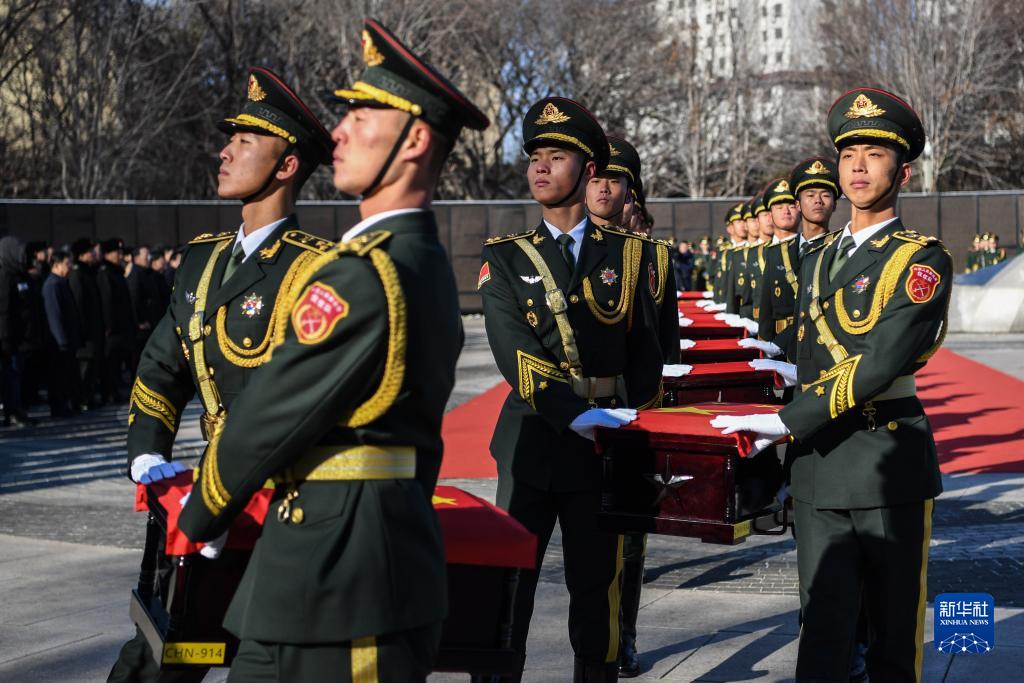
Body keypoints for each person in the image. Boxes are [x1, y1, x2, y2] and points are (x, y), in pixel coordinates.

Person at [175, 21, 490, 682]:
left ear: (416, 140)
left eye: (362, 113)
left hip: (342, 585)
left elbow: (270, 412)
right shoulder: (418, 260)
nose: (340, 130)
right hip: (337, 576)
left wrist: (200, 510)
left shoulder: (364, 273)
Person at [711, 87, 950, 683]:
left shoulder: (922, 260)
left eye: (874, 153)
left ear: (904, 170)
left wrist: (784, 420)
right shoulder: (818, 258)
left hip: (883, 460)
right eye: (848, 155)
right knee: (821, 628)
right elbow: (812, 357)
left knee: (895, 634)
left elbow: (879, 361)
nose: (859, 167)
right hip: (820, 465)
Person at [108, 65, 335, 683]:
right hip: (211, 494)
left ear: (287, 165)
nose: (224, 150)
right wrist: (146, 453)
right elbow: (162, 365)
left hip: (285, 503)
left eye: (245, 141)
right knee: (156, 655)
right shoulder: (203, 259)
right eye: (229, 138)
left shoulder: (317, 270)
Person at [479, 96, 663, 682]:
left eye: (555, 156)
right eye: (534, 156)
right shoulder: (504, 260)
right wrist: (580, 416)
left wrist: (635, 435)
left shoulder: (631, 256)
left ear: (587, 172)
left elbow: (646, 357)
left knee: (597, 593)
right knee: (509, 590)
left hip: (605, 449)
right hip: (533, 440)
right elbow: (516, 355)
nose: (539, 167)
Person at [0, 236, 35, 427]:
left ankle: (17, 409)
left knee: (17, 376)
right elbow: (4, 311)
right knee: (11, 376)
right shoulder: (5, 277)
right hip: (10, 340)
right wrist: (5, 338)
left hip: (21, 338)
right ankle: (12, 411)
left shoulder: (20, 276)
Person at [41, 250, 82, 417]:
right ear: (56, 265)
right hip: (58, 342)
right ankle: (58, 407)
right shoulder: (52, 285)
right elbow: (54, 315)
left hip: (66, 340)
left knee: (66, 375)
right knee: (58, 376)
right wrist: (61, 339)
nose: (70, 266)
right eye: (67, 263)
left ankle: (65, 405)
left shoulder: (62, 282)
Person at [96, 237, 136, 400]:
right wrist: (109, 325)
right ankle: (110, 393)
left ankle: (116, 391)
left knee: (121, 360)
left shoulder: (116, 271)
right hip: (114, 329)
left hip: (123, 327)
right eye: (117, 252)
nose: (120, 255)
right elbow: (107, 301)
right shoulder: (105, 272)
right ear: (107, 254)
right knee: (112, 362)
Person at [69, 238, 105, 409]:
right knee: (84, 367)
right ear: (82, 255)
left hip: (94, 331)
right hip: (86, 333)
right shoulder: (77, 275)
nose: (93, 255)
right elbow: (78, 305)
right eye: (90, 252)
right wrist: (82, 331)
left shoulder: (89, 273)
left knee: (92, 367)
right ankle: (81, 399)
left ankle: (88, 397)